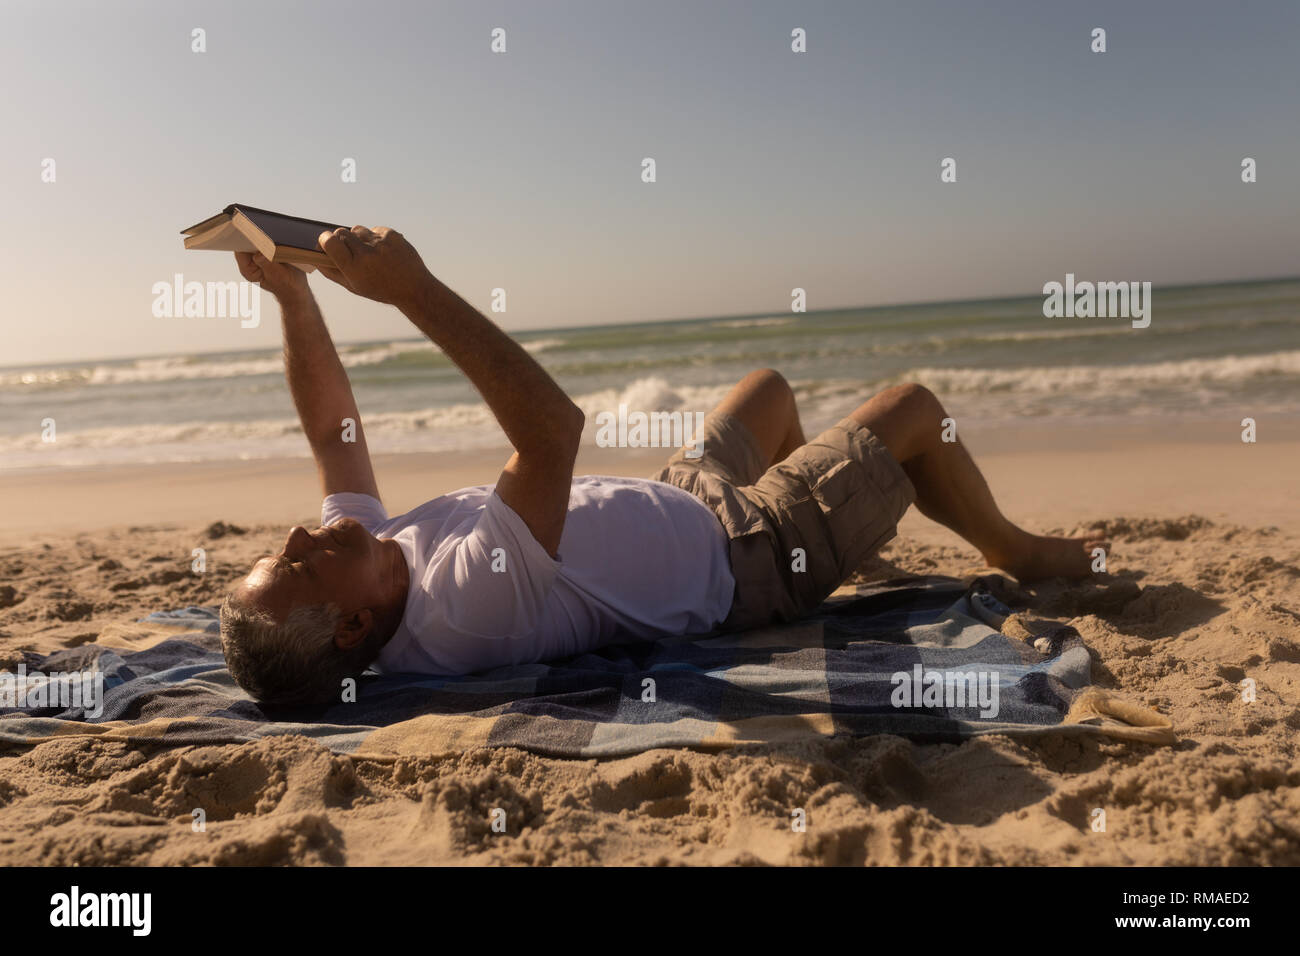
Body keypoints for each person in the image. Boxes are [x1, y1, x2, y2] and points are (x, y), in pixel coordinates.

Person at [219, 226, 1104, 706]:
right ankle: (1014, 549)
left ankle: (847, 542)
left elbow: (333, 431)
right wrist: (414, 290)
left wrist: (294, 297)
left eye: (283, 546)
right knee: (914, 410)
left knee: (769, 387)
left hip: (685, 498)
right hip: (747, 554)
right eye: (297, 564)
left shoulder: (368, 556)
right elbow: (552, 431)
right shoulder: (461, 607)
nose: (299, 533)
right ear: (347, 629)